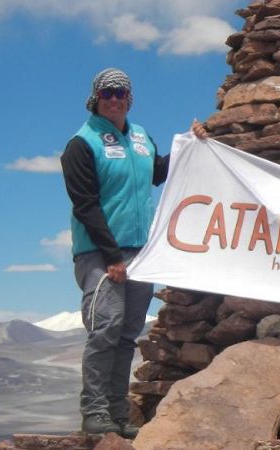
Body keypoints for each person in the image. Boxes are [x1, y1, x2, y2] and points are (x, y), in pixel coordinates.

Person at [61, 68, 207, 438]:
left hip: (142, 252)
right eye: (107, 93)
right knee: (105, 329)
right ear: (95, 98)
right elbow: (85, 205)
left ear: (130, 97)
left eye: (120, 92)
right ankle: (94, 411)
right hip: (99, 252)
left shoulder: (140, 137)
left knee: (127, 334)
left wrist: (190, 144)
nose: (114, 99)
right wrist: (111, 256)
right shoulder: (82, 143)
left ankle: (115, 412)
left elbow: (157, 174)